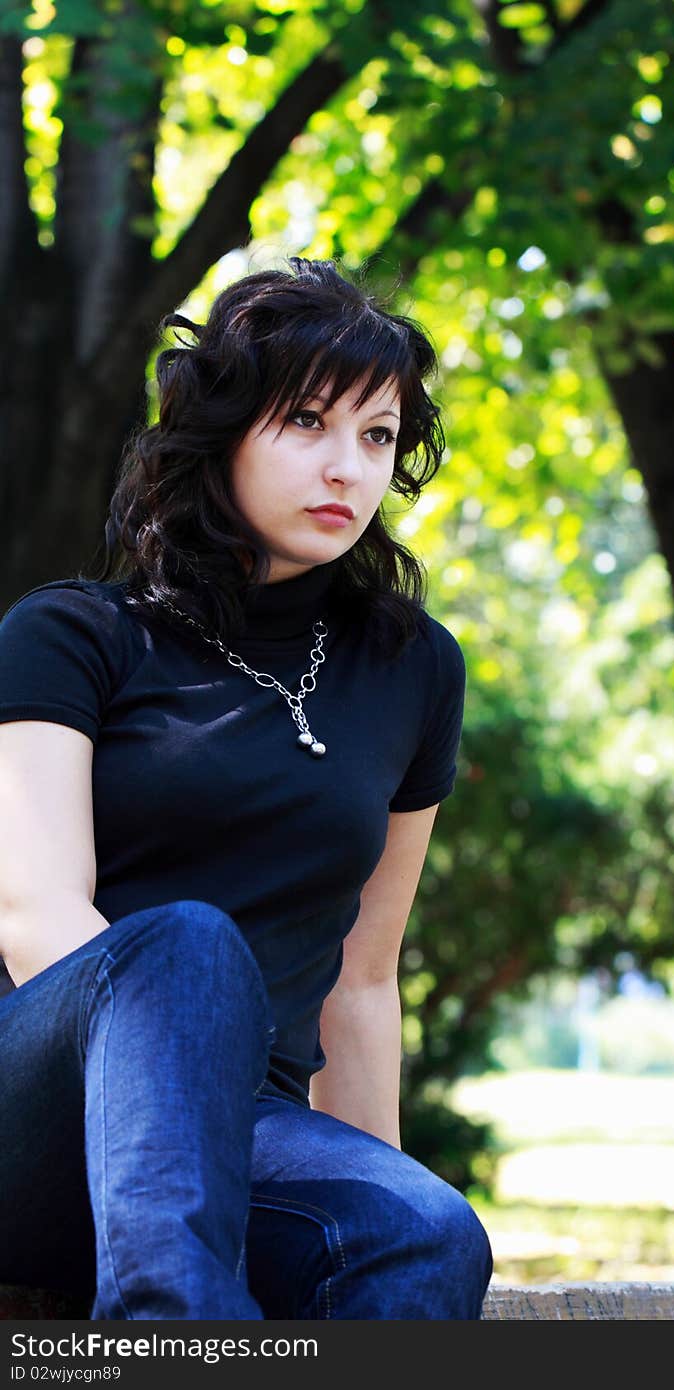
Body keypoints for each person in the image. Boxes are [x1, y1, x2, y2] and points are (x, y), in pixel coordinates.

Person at [0, 256, 494, 1320]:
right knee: (185, 944)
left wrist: (380, 1185)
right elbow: (33, 917)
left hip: (249, 1133)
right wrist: (174, 1108)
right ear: (218, 431)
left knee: (425, 1232)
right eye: (308, 422)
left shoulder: (411, 669)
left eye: (376, 436)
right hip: (37, 1119)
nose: (348, 469)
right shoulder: (71, 637)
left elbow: (361, 979)